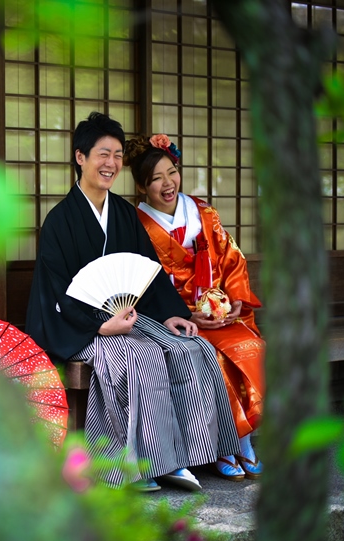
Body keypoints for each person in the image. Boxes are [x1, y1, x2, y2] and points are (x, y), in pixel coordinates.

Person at [26, 112, 240, 492]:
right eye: (102, 154)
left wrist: (173, 314)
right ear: (80, 157)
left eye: (117, 155)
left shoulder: (124, 214)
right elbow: (55, 292)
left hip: (128, 315)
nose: (111, 164)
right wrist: (100, 325)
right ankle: (137, 464)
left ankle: (189, 455)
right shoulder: (59, 221)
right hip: (82, 325)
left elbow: (150, 272)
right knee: (139, 356)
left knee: (192, 348)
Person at [125, 134, 264, 481]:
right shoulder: (136, 225)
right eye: (156, 179)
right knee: (212, 358)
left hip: (216, 309)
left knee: (251, 349)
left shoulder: (203, 213)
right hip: (175, 317)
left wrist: (234, 299)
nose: (167, 184)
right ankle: (225, 446)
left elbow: (232, 260)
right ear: (142, 188)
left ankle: (243, 438)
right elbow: (139, 281)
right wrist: (186, 313)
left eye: (171, 172)